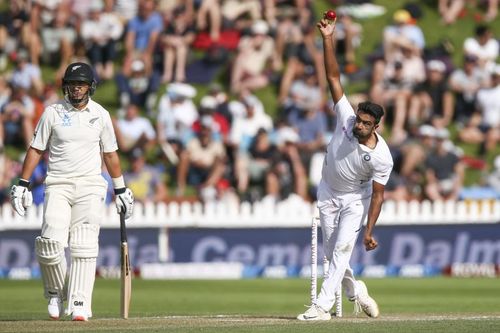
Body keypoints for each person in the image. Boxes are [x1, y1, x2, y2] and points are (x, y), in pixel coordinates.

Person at [9, 62, 135, 322]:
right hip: (58, 183)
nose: (76, 88)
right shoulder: (52, 113)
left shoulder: (100, 114)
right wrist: (22, 183)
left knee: (84, 245)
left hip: (90, 185)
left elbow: (110, 153)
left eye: (81, 84)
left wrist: (120, 188)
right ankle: (56, 291)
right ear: (65, 85)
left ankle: (80, 302)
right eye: (72, 83)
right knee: (50, 243)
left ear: (90, 87)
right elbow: (36, 149)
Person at [297, 16, 393, 321]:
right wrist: (328, 38)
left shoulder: (382, 157)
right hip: (327, 191)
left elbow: (377, 197)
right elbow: (334, 78)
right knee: (330, 255)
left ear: (376, 126)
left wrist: (369, 230)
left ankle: (321, 307)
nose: (359, 126)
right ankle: (355, 292)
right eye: (359, 120)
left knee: (340, 251)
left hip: (355, 199)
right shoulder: (346, 118)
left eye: (366, 124)